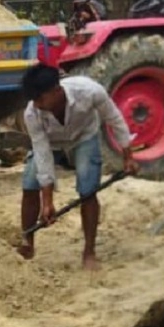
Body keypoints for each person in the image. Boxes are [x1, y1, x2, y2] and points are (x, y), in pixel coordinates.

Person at [17, 64, 138, 270]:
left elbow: (114, 119)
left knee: (88, 189)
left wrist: (128, 156)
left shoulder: (90, 91)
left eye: (40, 99)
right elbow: (43, 153)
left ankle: (89, 251)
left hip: (84, 136)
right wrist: (48, 202)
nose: (37, 105)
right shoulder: (32, 113)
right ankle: (28, 243)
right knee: (29, 184)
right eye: (33, 100)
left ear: (56, 91)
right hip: (51, 142)